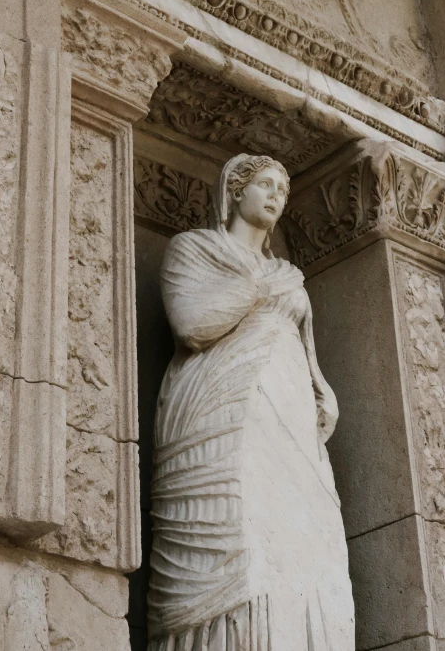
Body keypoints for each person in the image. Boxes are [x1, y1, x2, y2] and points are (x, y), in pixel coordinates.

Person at [147, 153, 355, 651]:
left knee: (301, 547)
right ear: (234, 191)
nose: (277, 196)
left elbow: (305, 352)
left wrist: (321, 392)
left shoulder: (290, 273)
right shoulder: (194, 249)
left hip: (290, 424)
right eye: (265, 184)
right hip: (216, 411)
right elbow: (192, 324)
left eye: (283, 190)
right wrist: (262, 286)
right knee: (232, 537)